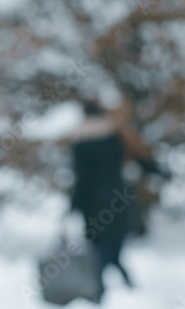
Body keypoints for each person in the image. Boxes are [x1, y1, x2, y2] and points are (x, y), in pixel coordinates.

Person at [68, 100, 167, 295]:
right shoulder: (115, 136)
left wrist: (73, 206)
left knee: (101, 251)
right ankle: (124, 288)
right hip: (119, 199)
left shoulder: (80, 143)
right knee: (113, 249)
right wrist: (159, 171)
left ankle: (99, 291)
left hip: (93, 205)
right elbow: (139, 158)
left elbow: (82, 180)